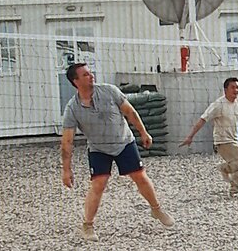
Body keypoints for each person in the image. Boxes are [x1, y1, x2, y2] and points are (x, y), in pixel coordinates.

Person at [60, 63, 174, 241]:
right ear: (75, 81)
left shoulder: (109, 91)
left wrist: (143, 132)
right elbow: (67, 142)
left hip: (123, 142)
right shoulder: (72, 108)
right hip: (99, 148)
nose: (91, 76)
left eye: (91, 73)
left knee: (140, 177)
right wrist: (66, 170)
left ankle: (156, 209)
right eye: (85, 75)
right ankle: (88, 226)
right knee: (98, 183)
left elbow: (130, 112)